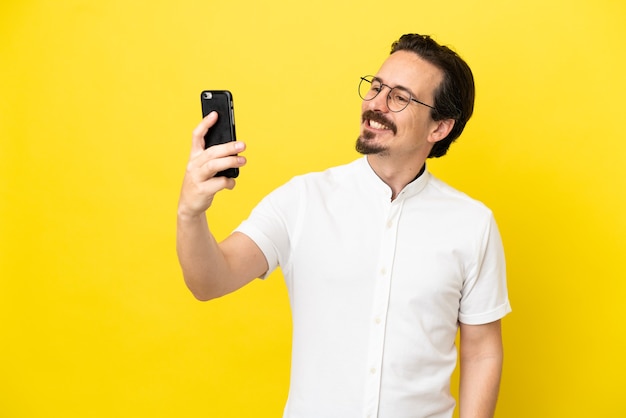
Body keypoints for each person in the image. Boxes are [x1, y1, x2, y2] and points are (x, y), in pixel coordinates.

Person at [177, 33, 511, 418]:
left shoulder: (472, 224)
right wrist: (190, 212)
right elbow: (209, 281)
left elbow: (482, 349)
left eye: (399, 97)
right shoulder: (303, 199)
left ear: (439, 128)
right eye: (376, 87)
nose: (376, 104)